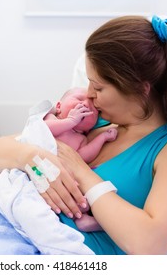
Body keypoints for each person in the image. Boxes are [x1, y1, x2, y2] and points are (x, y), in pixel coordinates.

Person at [0, 15, 167, 254]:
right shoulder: (92, 123)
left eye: (98, 87)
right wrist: (32, 157)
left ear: (141, 89)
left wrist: (81, 171)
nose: (88, 95)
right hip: (7, 229)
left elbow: (150, 243)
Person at [43, 87, 117, 231]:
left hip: (65, 177)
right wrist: (70, 121)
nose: (86, 105)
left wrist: (103, 138)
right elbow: (43, 130)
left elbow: (82, 157)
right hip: (41, 171)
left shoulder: (81, 138)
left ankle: (81, 218)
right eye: (78, 99)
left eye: (94, 110)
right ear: (58, 107)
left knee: (78, 193)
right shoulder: (52, 119)